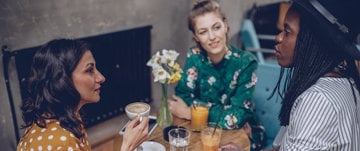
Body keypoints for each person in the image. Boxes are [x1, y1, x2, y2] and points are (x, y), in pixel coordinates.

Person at [220, 0, 360, 150]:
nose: (278, 38)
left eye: (287, 32)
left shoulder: (318, 100)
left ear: (311, 42)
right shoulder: (343, 81)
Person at [167, 0, 266, 150]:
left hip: (242, 134)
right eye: (203, 31)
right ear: (196, 37)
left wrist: (191, 113)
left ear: (225, 26)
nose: (212, 37)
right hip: (202, 131)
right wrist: (222, 110)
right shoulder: (194, 56)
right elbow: (182, 97)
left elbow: (238, 115)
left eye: (216, 27)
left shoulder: (246, 62)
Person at [16, 39, 149, 151]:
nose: (101, 78)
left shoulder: (66, 115)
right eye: (90, 70)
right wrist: (128, 146)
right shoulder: (62, 142)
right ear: (62, 79)